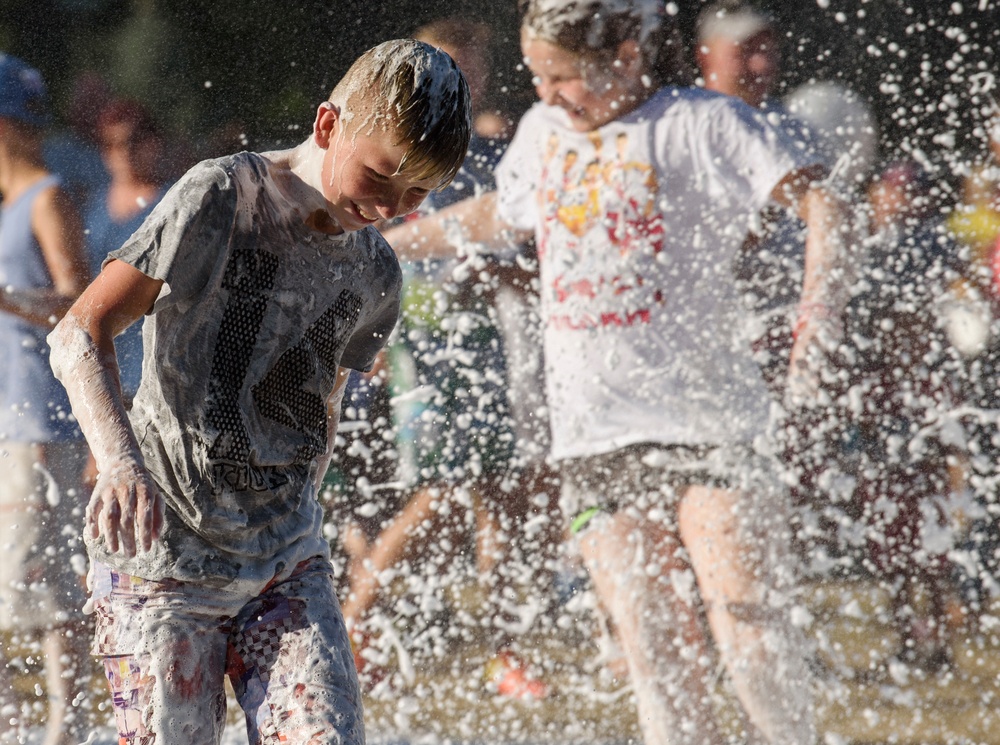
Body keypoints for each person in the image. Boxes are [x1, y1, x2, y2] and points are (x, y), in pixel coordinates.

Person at [382, 0, 850, 741]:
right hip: (593, 438)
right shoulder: (542, 133)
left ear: (625, 59)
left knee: (748, 631)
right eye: (537, 76)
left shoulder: (699, 122)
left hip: (712, 424)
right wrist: (395, 242)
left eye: (562, 77)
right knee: (656, 653)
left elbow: (824, 202)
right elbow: (502, 214)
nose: (546, 94)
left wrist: (817, 317)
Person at [46, 39, 471, 744]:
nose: (391, 207)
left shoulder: (376, 275)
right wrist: (119, 461)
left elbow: (322, 410)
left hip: (286, 564)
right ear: (330, 126)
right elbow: (78, 331)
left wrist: (309, 518)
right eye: (380, 176)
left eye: (418, 194)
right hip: (162, 560)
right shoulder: (220, 196)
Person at [0, 53, 93, 745]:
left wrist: (10, 300)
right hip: (8, 419)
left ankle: (68, 725)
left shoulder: (48, 195)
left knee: (45, 577)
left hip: (42, 419)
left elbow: (80, 301)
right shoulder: (7, 206)